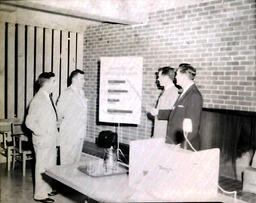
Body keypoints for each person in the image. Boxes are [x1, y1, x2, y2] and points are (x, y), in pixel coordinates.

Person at [152, 63, 203, 151]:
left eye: (177, 75)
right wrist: (159, 113)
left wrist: (179, 144)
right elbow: (175, 112)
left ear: (183, 76)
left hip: (184, 146)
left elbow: (192, 126)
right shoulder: (184, 92)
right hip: (175, 142)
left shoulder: (194, 95)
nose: (175, 77)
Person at [25, 72, 58, 203]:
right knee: (41, 166)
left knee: (49, 165)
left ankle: (47, 189)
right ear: (47, 82)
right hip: (43, 139)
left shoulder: (47, 97)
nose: (55, 83)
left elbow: (47, 117)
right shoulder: (38, 99)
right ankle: (39, 194)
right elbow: (29, 122)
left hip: (50, 138)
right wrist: (42, 133)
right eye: (54, 81)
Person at [57, 69, 88, 165]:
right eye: (82, 79)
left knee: (75, 162)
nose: (84, 81)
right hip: (69, 134)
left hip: (80, 133)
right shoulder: (67, 93)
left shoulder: (81, 93)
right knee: (66, 163)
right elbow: (59, 113)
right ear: (74, 80)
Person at [149, 67, 179, 138]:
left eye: (159, 77)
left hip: (165, 135)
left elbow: (174, 115)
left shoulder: (174, 92)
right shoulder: (165, 91)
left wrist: (157, 112)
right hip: (159, 132)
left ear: (165, 78)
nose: (158, 79)